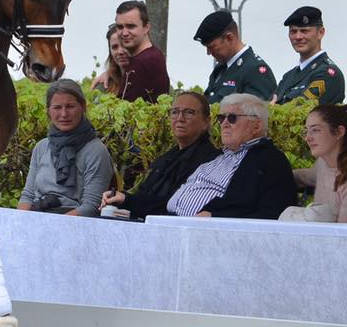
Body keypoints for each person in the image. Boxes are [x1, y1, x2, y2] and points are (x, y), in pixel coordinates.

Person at [144, 93, 295, 218]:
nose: (224, 124)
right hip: (169, 220)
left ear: (256, 125)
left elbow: (267, 213)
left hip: (211, 235)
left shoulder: (269, 160)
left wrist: (215, 216)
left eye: (232, 118)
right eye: (222, 118)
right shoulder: (217, 156)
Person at [100, 92, 221, 219]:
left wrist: (127, 200)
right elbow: (144, 195)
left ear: (206, 122)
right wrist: (120, 199)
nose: (180, 118)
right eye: (175, 112)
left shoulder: (210, 162)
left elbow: (174, 204)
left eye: (189, 112)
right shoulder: (167, 158)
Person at [17, 79, 114, 216]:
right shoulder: (41, 147)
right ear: (49, 111)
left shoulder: (96, 151)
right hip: (36, 218)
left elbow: (91, 206)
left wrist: (55, 227)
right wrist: (23, 221)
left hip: (74, 224)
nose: (64, 114)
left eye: (70, 106)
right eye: (57, 107)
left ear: (83, 107)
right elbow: (28, 196)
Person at [280, 104, 347, 223]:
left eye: (315, 130)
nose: (308, 138)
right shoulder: (323, 163)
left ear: (339, 132)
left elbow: (343, 236)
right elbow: (302, 177)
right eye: (306, 131)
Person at [194, 10, 276, 104]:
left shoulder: (256, 70)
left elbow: (254, 115)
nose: (208, 53)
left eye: (211, 47)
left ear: (229, 38)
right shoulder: (220, 69)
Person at [272, 6, 345, 105]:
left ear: (320, 33)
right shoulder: (288, 77)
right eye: (293, 31)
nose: (298, 37)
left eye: (304, 31)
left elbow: (300, 111)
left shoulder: (327, 74)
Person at [113, 0, 170, 102]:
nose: (124, 33)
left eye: (131, 26)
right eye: (120, 27)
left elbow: (124, 111)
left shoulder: (142, 63)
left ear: (146, 27)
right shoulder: (154, 54)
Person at [91, 24, 130, 95]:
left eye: (125, 45)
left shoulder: (150, 79)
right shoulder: (104, 87)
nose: (120, 52)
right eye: (115, 47)